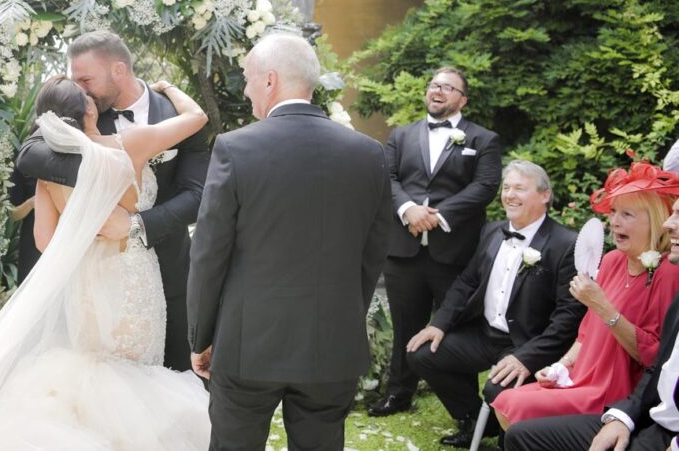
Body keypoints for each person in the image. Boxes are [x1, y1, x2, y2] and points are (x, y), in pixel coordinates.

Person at [0, 74, 210, 449]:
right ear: (88, 109)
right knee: (135, 378)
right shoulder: (128, 144)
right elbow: (196, 118)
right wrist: (166, 87)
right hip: (132, 280)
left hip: (87, 284)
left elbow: (45, 241)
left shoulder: (48, 177)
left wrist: (83, 227)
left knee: (94, 374)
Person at [188, 33, 391, 450]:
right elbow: (372, 253)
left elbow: (209, 254)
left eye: (247, 79)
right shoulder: (368, 153)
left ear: (270, 80)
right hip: (331, 340)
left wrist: (201, 337)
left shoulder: (235, 148)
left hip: (247, 345)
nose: (245, 90)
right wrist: (342, 313)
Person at [16, 30, 209, 372]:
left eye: (86, 80)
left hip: (168, 271)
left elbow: (198, 195)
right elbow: (29, 155)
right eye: (76, 81)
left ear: (119, 70)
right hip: (98, 288)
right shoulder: (81, 124)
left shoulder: (169, 114)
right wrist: (102, 166)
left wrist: (136, 225)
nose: (81, 90)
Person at [405, 161, 584, 447]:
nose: (509, 195)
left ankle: (509, 434)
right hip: (484, 334)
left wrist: (526, 358)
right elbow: (467, 282)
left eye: (519, 188)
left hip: (527, 341)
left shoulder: (566, 244)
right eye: (507, 187)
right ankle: (475, 418)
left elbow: (568, 317)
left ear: (545, 195)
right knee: (422, 353)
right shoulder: (491, 230)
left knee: (497, 390)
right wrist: (438, 324)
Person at [493, 162, 679, 429]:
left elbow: (653, 357)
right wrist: (561, 366)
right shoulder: (613, 260)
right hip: (582, 376)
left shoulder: (667, 272)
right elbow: (586, 333)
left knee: (514, 407)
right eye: (613, 212)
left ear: (656, 221)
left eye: (627, 214)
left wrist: (603, 306)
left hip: (615, 391)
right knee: (506, 402)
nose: (614, 222)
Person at [369, 66, 502, 417]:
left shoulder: (482, 139)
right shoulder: (402, 135)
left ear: (463, 99)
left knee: (456, 329)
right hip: (404, 250)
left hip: (454, 251)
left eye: (447, 87)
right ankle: (399, 393)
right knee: (404, 325)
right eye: (433, 85)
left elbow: (485, 186)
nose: (437, 90)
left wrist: (438, 216)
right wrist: (409, 209)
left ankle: (466, 408)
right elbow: (387, 177)